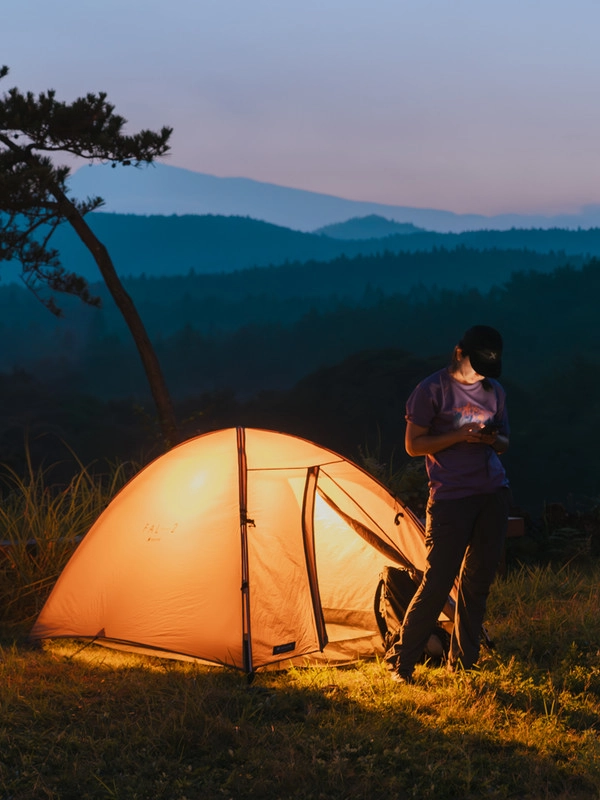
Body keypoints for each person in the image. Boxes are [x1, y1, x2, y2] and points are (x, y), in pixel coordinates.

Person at [390, 324, 511, 684]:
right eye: (476, 367)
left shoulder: (495, 391)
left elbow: (505, 441)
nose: (481, 376)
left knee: (477, 582)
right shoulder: (431, 390)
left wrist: (492, 440)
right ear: (459, 353)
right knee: (438, 581)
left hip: (492, 493)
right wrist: (459, 434)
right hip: (449, 498)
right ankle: (402, 662)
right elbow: (413, 445)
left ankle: (464, 663)